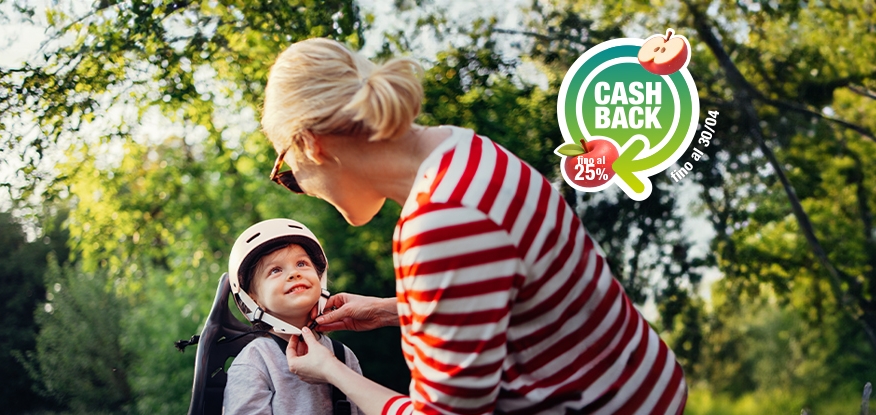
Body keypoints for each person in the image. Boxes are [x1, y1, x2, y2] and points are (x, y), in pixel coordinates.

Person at [261, 37, 688, 414]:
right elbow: (523, 296)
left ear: (312, 145)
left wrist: (333, 371)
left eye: (288, 173)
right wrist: (393, 310)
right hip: (641, 387)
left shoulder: (440, 222)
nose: (301, 188)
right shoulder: (461, 149)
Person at [223, 218, 363, 415]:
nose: (294, 273)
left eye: (301, 263)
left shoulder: (343, 355)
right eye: (275, 270)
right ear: (254, 299)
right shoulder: (254, 362)